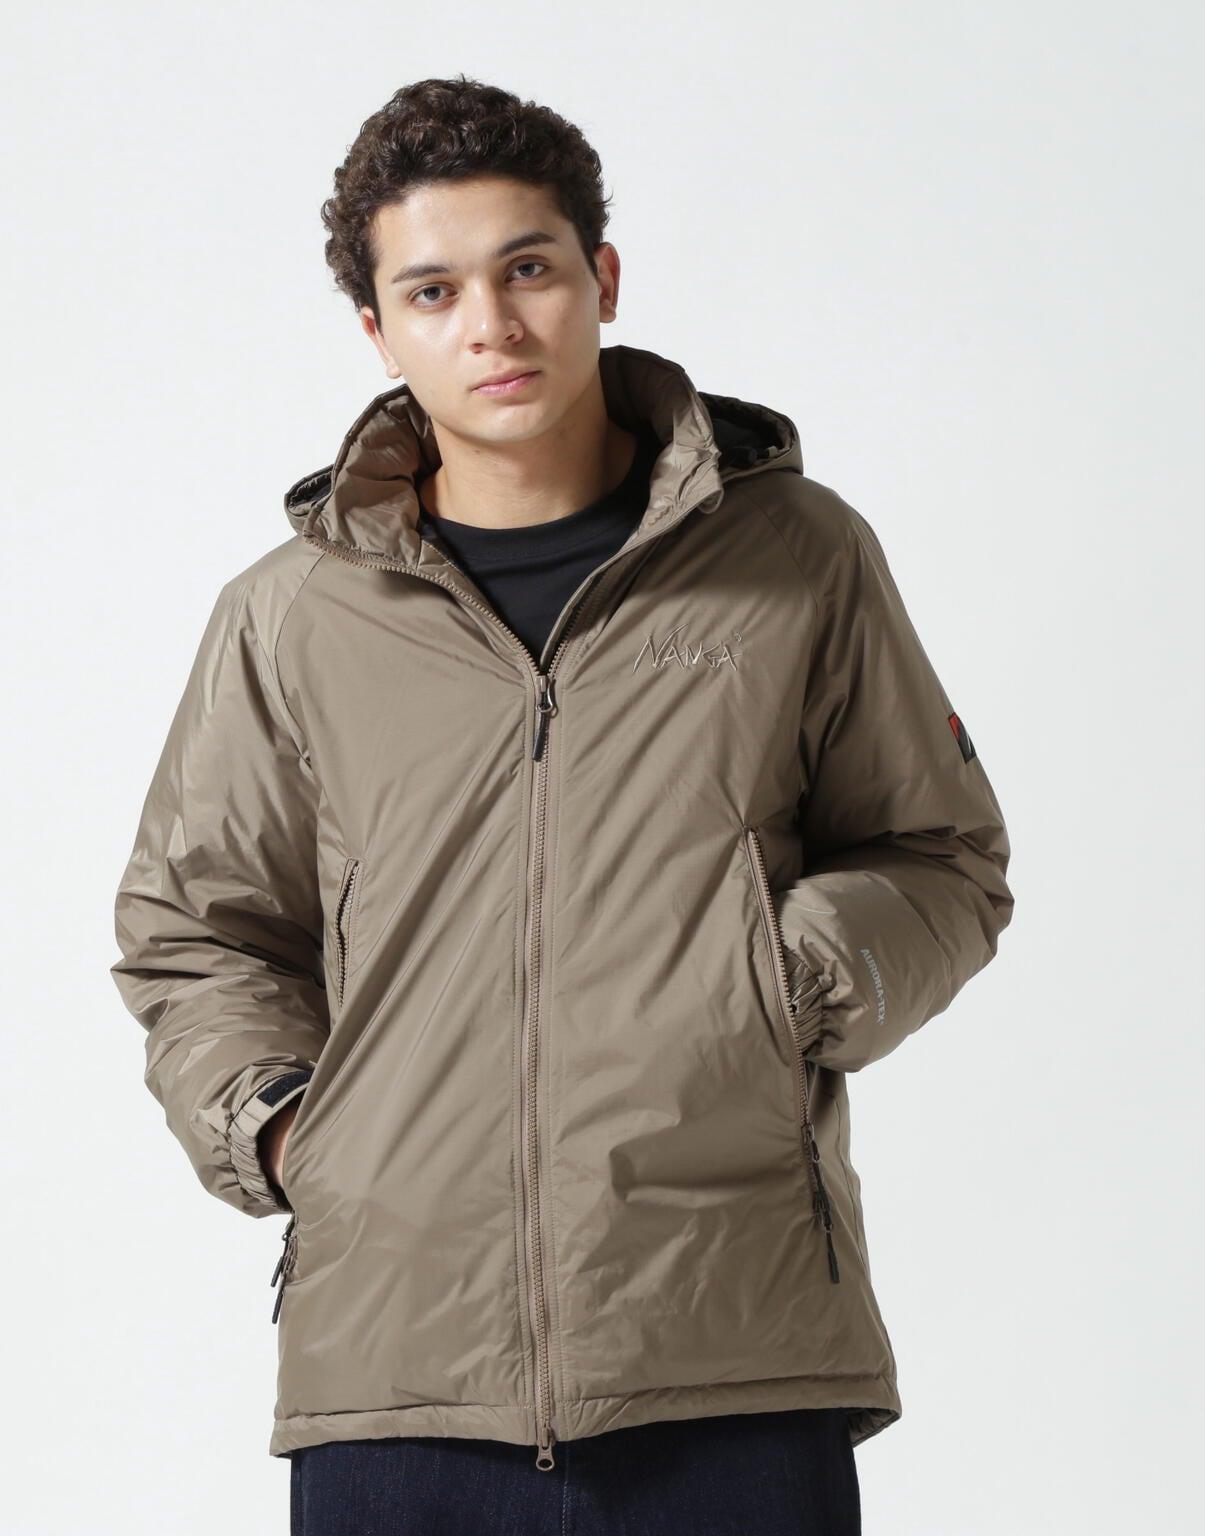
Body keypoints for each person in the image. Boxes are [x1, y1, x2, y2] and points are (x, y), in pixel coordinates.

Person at [109, 73, 1015, 1535]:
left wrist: (772, 986)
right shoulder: (292, 617)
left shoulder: (794, 556)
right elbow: (198, 934)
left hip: (731, 1349)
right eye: (433, 290)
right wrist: (282, 1128)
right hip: (397, 1375)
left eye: (526, 268)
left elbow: (940, 855)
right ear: (380, 331)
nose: (491, 324)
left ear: (601, 277)